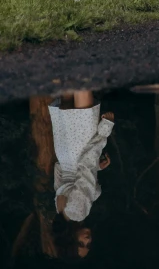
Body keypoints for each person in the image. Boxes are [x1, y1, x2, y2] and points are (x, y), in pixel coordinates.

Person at [49, 91, 115, 259]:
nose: (88, 239)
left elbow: (85, 164)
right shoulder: (60, 210)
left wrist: (104, 130)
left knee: (82, 81)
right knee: (68, 88)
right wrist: (97, 169)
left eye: (81, 243)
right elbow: (59, 169)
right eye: (88, 244)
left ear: (69, 239)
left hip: (81, 146)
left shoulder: (78, 212)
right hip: (64, 151)